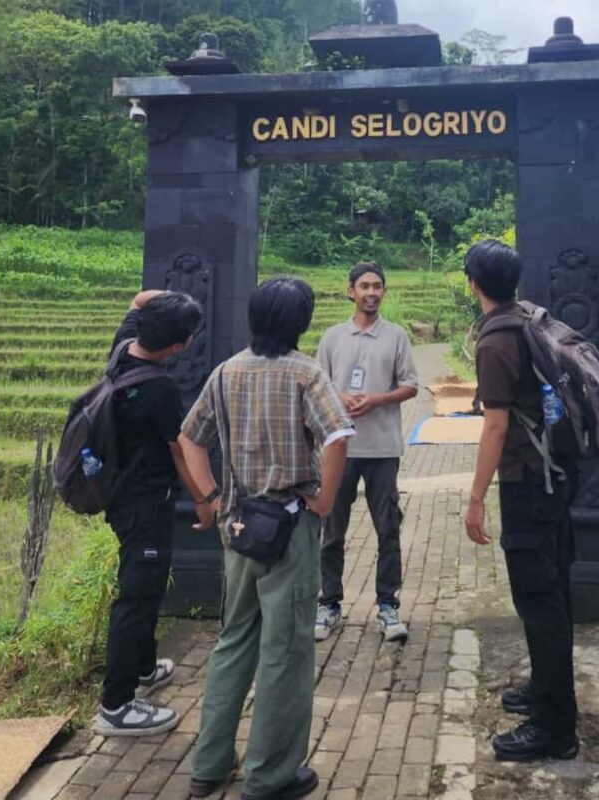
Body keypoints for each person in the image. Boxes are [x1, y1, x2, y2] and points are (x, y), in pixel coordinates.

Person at [179, 278, 354, 800]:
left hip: (237, 528)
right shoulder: (306, 373)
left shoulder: (226, 371)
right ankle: (270, 775)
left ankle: (209, 765)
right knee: (285, 649)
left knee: (234, 640)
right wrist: (324, 499)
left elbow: (190, 437)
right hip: (288, 526)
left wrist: (209, 498)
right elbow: (339, 434)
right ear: (300, 323)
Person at [462, 240, 579, 762]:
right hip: (553, 476)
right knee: (551, 591)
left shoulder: (495, 341)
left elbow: (495, 426)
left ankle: (555, 729)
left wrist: (475, 498)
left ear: (473, 284)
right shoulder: (527, 319)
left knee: (538, 598)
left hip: (528, 482)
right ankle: (545, 689)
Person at [94, 290, 204, 737]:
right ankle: (116, 706)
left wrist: (171, 303)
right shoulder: (159, 390)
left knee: (146, 587)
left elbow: (140, 299)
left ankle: (143, 669)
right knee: (137, 598)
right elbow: (181, 451)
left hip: (121, 498)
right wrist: (204, 500)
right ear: (178, 347)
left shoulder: (123, 349)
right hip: (145, 506)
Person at [315, 262, 418, 643]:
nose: (371, 292)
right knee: (331, 530)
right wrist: (339, 395)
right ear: (350, 291)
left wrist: (378, 399)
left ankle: (388, 605)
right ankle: (329, 604)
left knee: (387, 528)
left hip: (383, 448)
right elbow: (318, 383)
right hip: (339, 447)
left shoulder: (396, 337)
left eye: (377, 286)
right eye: (364, 286)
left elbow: (411, 385)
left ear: (384, 292)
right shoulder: (332, 338)